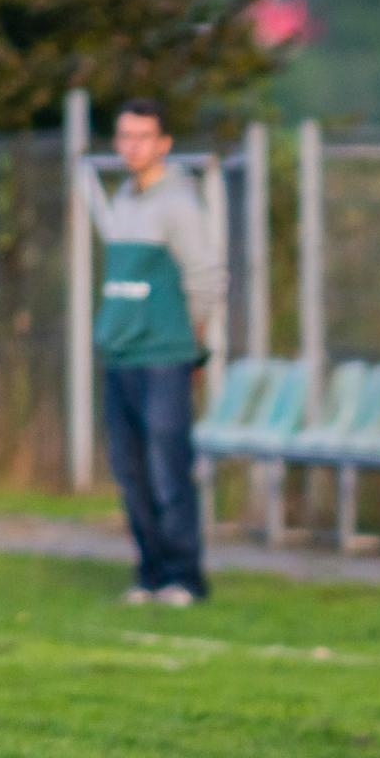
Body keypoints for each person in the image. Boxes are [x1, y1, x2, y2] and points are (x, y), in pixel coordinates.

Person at [95, 98, 225, 608]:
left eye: (143, 137)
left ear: (163, 144)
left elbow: (206, 277)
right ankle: (149, 572)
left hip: (164, 356)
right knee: (131, 473)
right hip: (121, 356)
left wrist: (190, 344)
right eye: (125, 136)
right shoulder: (123, 199)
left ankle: (184, 577)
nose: (132, 146)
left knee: (168, 468)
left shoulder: (179, 203)